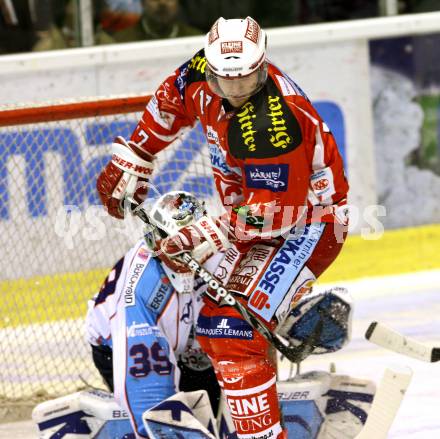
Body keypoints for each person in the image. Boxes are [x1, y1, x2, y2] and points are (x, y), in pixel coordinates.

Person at [96, 16, 349, 439]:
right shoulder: (199, 71)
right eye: (225, 78)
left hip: (307, 223)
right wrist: (137, 154)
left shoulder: (274, 122)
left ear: (263, 66)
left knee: (231, 323)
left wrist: (205, 234)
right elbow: (169, 103)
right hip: (250, 216)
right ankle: (260, 389)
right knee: (219, 325)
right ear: (210, 66)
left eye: (245, 78)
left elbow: (273, 212)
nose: (234, 89)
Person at [85, 191, 221, 438]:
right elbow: (150, 402)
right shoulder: (139, 293)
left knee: (210, 414)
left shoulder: (212, 250)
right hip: (117, 344)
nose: (161, 246)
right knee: (163, 421)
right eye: (173, 241)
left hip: (182, 339)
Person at [112, 0, 201, 43]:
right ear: (142, 3)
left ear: (178, 3)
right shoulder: (122, 42)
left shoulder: (197, 41)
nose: (162, 3)